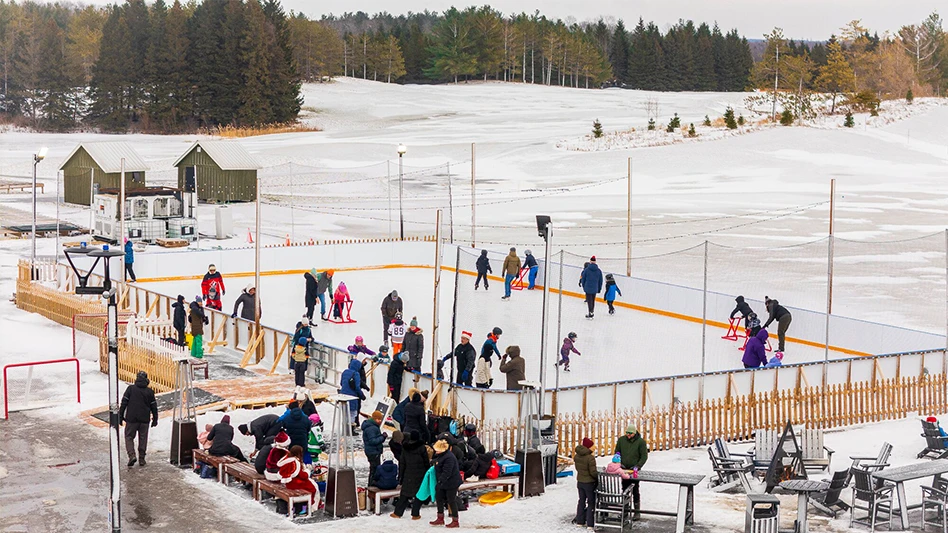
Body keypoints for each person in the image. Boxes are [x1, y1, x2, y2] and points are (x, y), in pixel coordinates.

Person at [119, 370, 158, 467]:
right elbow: (154, 406)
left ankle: (132, 455)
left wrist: (120, 416)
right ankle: (142, 459)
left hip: (131, 419)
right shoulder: (149, 391)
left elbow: (124, 403)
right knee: (143, 438)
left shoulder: (130, 389)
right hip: (144, 419)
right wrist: (155, 418)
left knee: (129, 437)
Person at [390, 430, 430, 520]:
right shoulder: (422, 447)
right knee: (419, 495)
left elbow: (402, 463)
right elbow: (426, 461)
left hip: (408, 474)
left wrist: (401, 476)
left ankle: (397, 513)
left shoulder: (405, 448)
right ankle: (415, 514)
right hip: (420, 474)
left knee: (404, 495)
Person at [614, 424, 649, 521]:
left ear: (634, 433)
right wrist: (619, 462)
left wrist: (638, 466)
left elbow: (644, 456)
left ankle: (637, 512)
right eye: (627, 433)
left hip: (634, 471)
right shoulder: (621, 440)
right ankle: (625, 510)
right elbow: (617, 452)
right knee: (625, 489)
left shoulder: (641, 442)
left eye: (630, 433)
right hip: (624, 469)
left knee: (635, 489)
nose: (628, 435)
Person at [431, 437, 463, 527]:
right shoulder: (442, 455)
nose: (435, 452)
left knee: (451, 500)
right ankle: (440, 517)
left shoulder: (449, 458)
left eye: (437, 450)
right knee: (439, 498)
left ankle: (455, 520)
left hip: (451, 482)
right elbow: (439, 462)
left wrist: (440, 482)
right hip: (444, 482)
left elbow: (447, 472)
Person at [278, 445, 320, 510]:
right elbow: (302, 475)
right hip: (295, 483)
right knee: (313, 489)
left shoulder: (288, 459)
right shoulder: (295, 462)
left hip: (289, 482)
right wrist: (307, 472)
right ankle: (308, 507)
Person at [573, 437, 598, 528]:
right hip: (589, 483)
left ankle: (580, 521)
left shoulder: (576, 456)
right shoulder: (590, 458)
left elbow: (578, 469)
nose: (594, 448)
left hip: (580, 482)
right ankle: (590, 524)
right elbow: (593, 472)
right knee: (591, 502)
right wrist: (597, 477)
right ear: (588, 447)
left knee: (581, 501)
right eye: (592, 447)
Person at [362, 410, 388, 486]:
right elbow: (372, 441)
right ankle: (372, 485)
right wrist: (382, 437)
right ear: (375, 419)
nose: (380, 421)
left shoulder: (371, 426)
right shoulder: (372, 428)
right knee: (374, 470)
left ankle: (372, 484)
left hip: (372, 451)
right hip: (373, 452)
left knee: (374, 469)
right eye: (379, 419)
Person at [340, 358, 365, 432]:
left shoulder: (345, 372)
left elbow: (341, 383)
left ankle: (345, 429)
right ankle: (350, 431)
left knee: (345, 413)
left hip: (343, 395)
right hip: (352, 396)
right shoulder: (356, 374)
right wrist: (362, 396)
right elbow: (357, 387)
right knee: (352, 413)